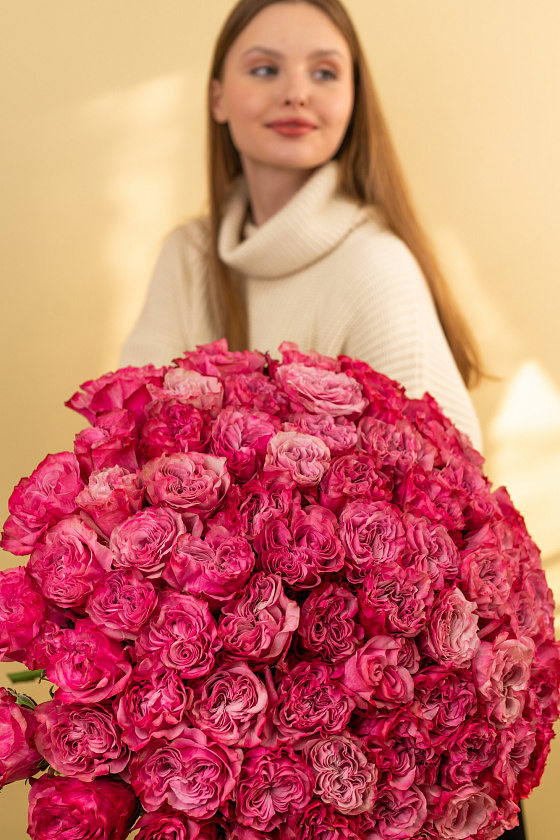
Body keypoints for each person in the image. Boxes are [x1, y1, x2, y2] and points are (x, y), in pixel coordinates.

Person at [121, 0, 483, 449]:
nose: (296, 93)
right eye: (264, 69)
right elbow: (125, 441)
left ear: (353, 100)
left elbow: (441, 471)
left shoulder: (376, 267)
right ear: (217, 98)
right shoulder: (187, 255)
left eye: (324, 73)